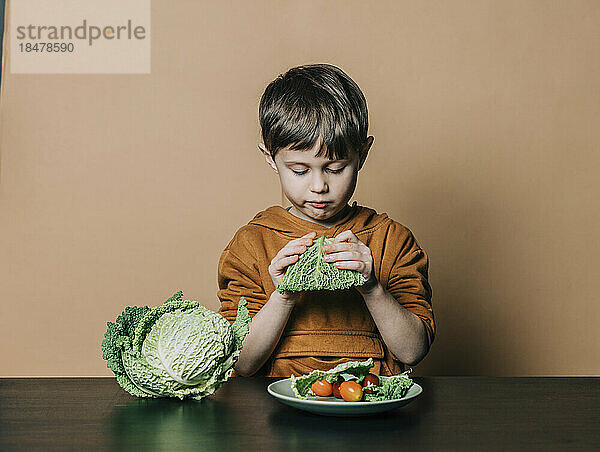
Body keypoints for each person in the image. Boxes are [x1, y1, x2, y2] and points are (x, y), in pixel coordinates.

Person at [218, 64, 435, 377]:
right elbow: (243, 364)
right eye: (299, 170)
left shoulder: (392, 239)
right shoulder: (251, 244)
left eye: (335, 168)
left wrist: (372, 287)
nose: (319, 186)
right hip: (277, 411)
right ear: (271, 158)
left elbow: (413, 351)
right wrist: (284, 295)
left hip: (369, 404)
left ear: (362, 154)